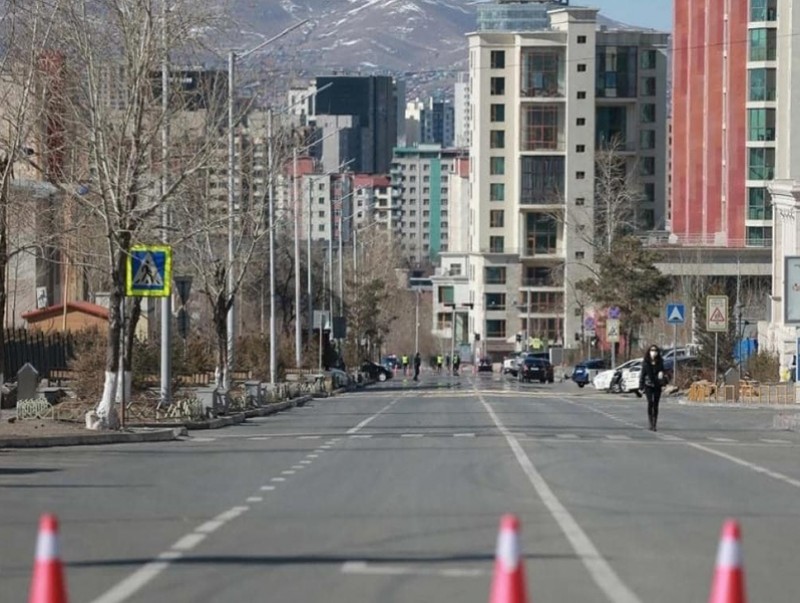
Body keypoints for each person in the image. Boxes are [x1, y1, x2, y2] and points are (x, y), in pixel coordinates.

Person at [639, 344, 667, 431]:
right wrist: (641, 385)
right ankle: (650, 423)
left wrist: (662, 378)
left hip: (657, 385)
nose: (653, 352)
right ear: (649, 351)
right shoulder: (646, 362)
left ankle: (654, 424)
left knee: (656, 404)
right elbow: (643, 374)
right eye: (652, 350)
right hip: (648, 385)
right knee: (650, 402)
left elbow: (663, 372)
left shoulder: (660, 362)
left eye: (655, 350)